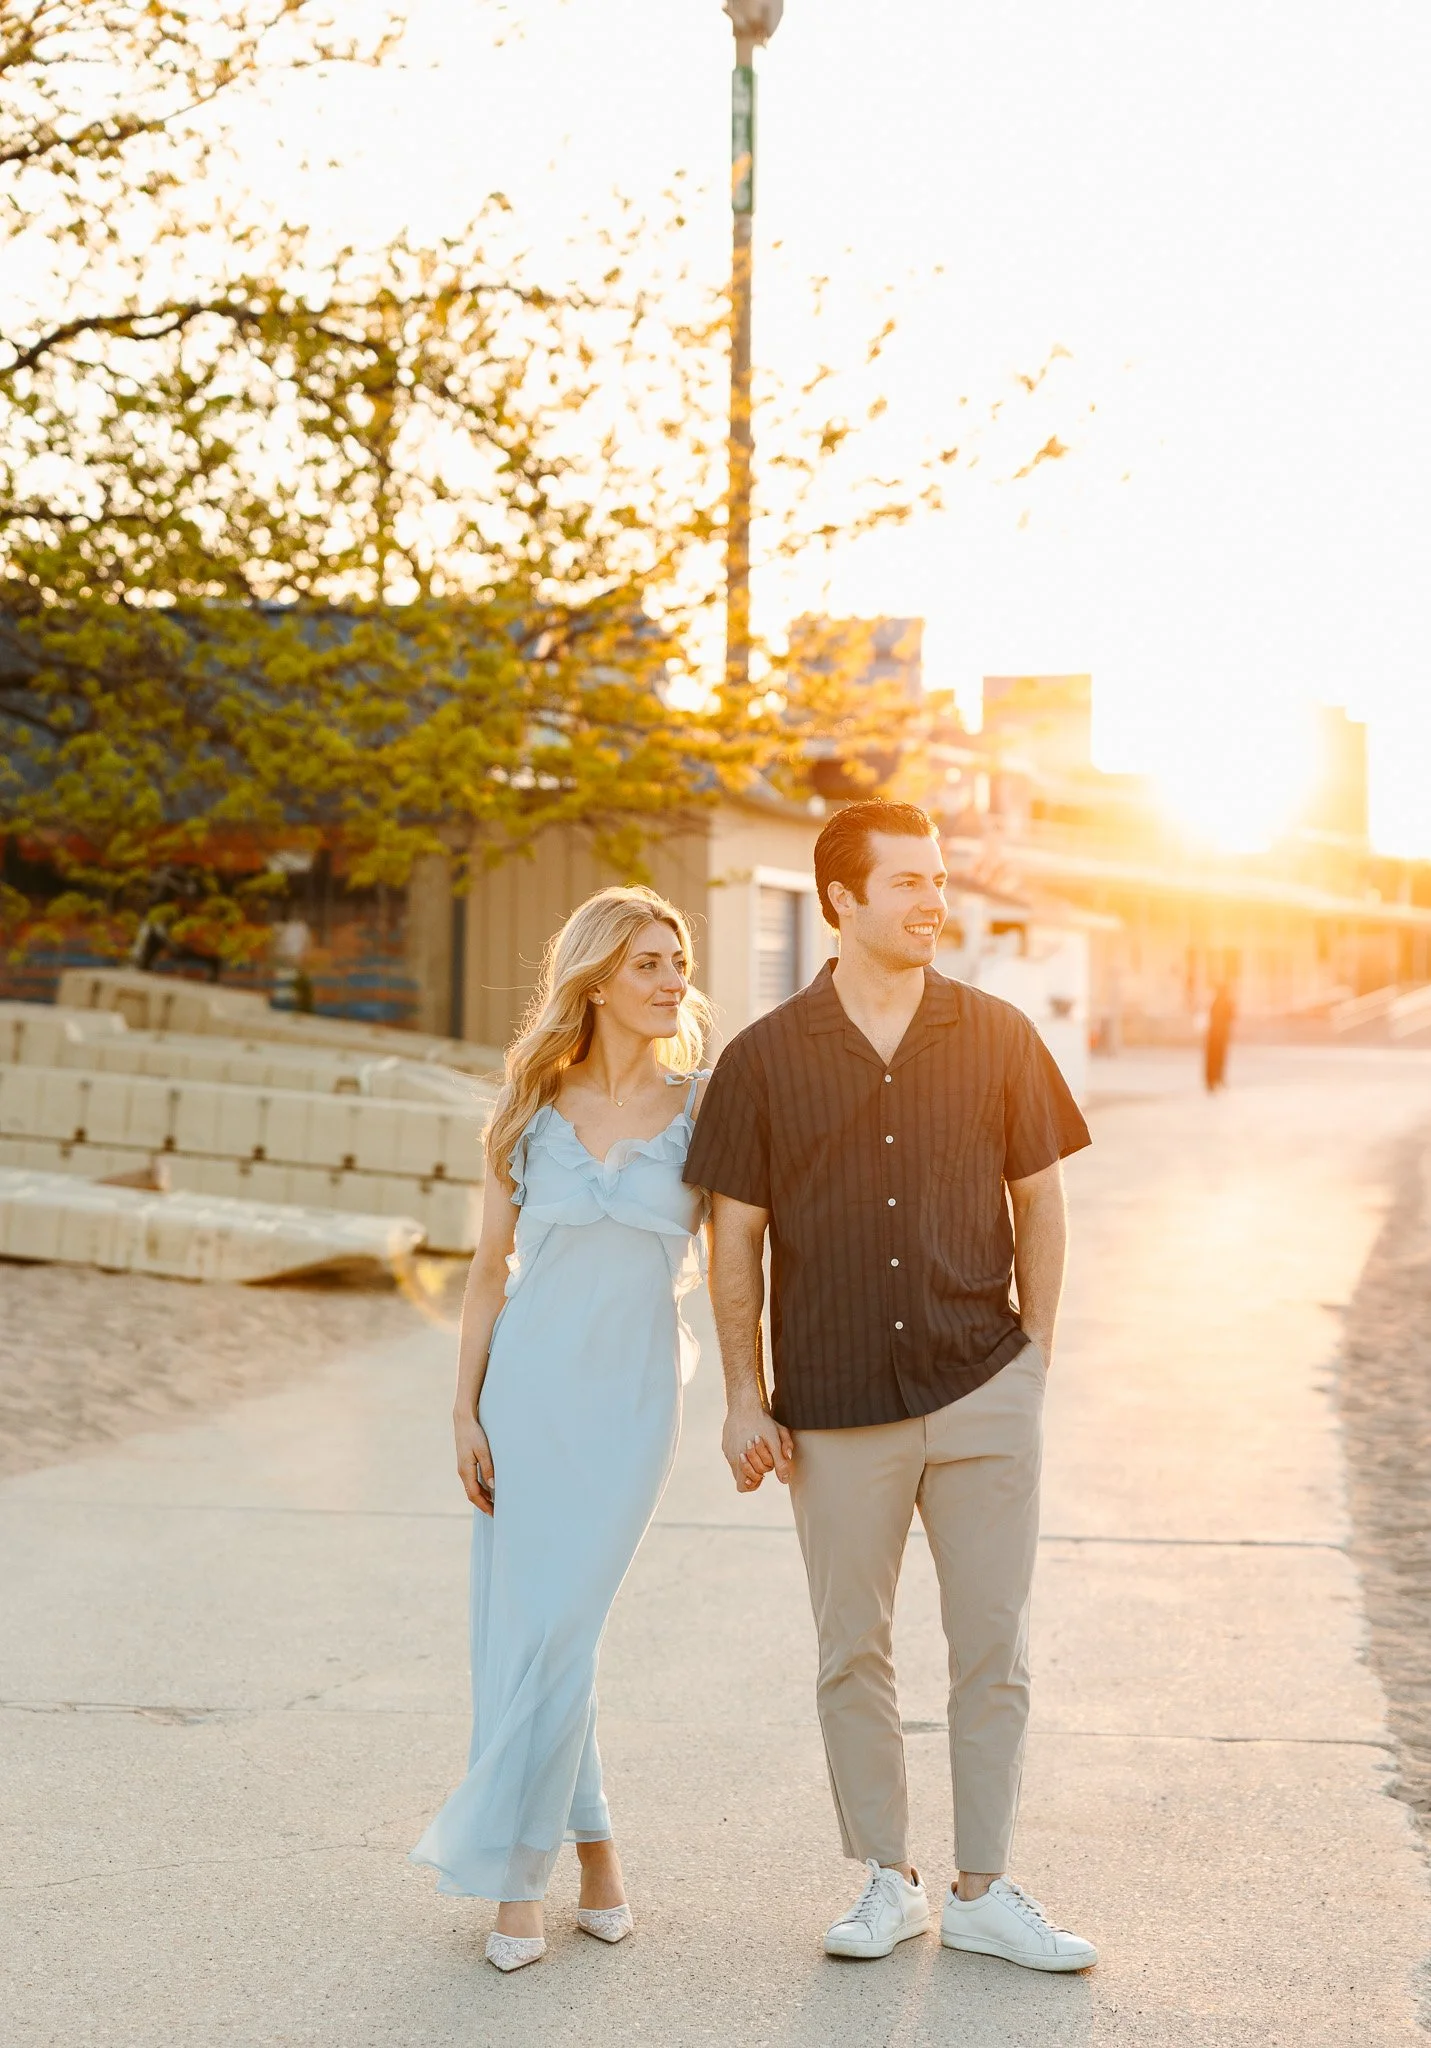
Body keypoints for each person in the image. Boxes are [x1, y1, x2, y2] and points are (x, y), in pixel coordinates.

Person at [684, 799, 1099, 1973]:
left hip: (983, 1381)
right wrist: (742, 1394)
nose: (934, 901)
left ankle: (983, 1886)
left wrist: (1038, 1354)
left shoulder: (998, 1033)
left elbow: (1042, 1199)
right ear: (841, 901)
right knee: (850, 1647)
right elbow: (734, 1240)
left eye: (939, 878)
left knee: (993, 1646)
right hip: (833, 1400)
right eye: (909, 881)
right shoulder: (764, 1057)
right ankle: (885, 1874)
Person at [410, 886, 711, 1973]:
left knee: (563, 1624)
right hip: (527, 1394)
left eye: (677, 960)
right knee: (540, 1634)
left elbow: (746, 1265)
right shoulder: (530, 1106)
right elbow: (488, 1274)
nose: (673, 978)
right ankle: (585, 1861)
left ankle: (518, 1866)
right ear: (595, 980)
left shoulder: (708, 1103)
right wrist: (463, 1410)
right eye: (648, 962)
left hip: (634, 1398)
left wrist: (765, 1391)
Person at [1204, 981, 1235, 1092]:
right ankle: (1215, 1080)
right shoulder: (1224, 1002)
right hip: (1219, 1036)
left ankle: (1214, 1080)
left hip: (1216, 1036)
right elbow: (1233, 1016)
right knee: (1217, 1059)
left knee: (1215, 1059)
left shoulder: (1217, 1002)